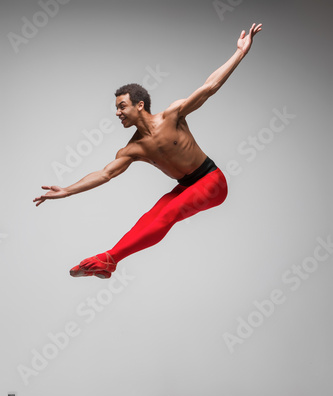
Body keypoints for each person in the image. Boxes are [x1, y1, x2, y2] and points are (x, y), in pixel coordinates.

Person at [33, 23, 262, 279]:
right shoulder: (132, 149)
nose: (117, 113)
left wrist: (240, 53)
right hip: (186, 186)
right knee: (150, 217)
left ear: (140, 105)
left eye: (122, 106)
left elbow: (209, 87)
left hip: (212, 181)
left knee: (169, 213)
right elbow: (105, 174)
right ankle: (110, 261)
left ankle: (109, 259)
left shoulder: (172, 115)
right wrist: (66, 190)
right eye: (116, 108)